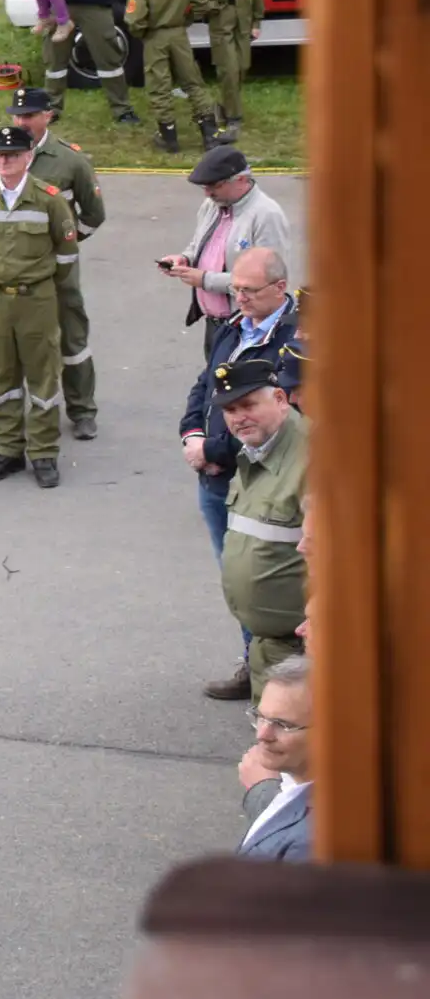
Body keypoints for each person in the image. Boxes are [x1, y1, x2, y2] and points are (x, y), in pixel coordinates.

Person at [179, 245, 297, 701]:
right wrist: (192, 434)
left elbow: (273, 420)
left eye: (250, 290)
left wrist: (212, 450)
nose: (240, 297)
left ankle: (285, 685)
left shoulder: (294, 341)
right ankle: (255, 666)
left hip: (257, 482)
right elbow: (205, 384)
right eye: (236, 289)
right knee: (239, 577)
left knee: (268, 581)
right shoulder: (234, 325)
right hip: (214, 477)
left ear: (280, 288)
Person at [0, 88, 107, 439]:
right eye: (17, 115)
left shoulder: (70, 161)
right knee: (11, 342)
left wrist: (63, 244)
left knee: (71, 338)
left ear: (48, 115)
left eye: (30, 115)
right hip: (12, 271)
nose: (22, 121)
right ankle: (8, 412)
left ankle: (82, 410)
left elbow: (93, 215)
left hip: (57, 272)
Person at [0, 126, 83, 490]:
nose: (4, 161)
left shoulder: (49, 200)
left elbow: (66, 254)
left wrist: (43, 287)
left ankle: (44, 452)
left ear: (29, 157)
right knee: (0, 376)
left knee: (42, 376)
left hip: (36, 299)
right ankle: (8, 449)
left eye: (13, 155)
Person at [212, 356, 306, 692]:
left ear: (280, 399)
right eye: (230, 410)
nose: (239, 418)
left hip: (306, 649)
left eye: (249, 405)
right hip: (271, 646)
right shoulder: (257, 449)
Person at [161, 147, 295, 356]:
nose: (207, 193)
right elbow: (198, 244)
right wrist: (185, 259)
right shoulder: (212, 205)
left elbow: (269, 280)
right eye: (204, 187)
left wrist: (205, 280)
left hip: (246, 326)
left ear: (241, 179)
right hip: (216, 325)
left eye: (215, 186)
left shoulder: (266, 215)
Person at [127, 0, 224, 151]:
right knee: (193, 82)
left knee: (159, 86)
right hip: (179, 35)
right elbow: (203, 2)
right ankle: (210, 134)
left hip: (155, 37)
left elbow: (134, 20)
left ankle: (168, 136)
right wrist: (187, 19)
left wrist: (142, 33)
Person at [236, 653, 313, 862]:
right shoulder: (292, 781)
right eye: (261, 717)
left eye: (283, 725)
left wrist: (261, 791)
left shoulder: (312, 844)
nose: (262, 735)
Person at [191, 0, 264, 134]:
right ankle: (233, 117)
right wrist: (206, 5)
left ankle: (223, 107)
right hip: (221, 23)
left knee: (242, 67)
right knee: (229, 70)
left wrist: (257, 21)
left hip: (243, 22)